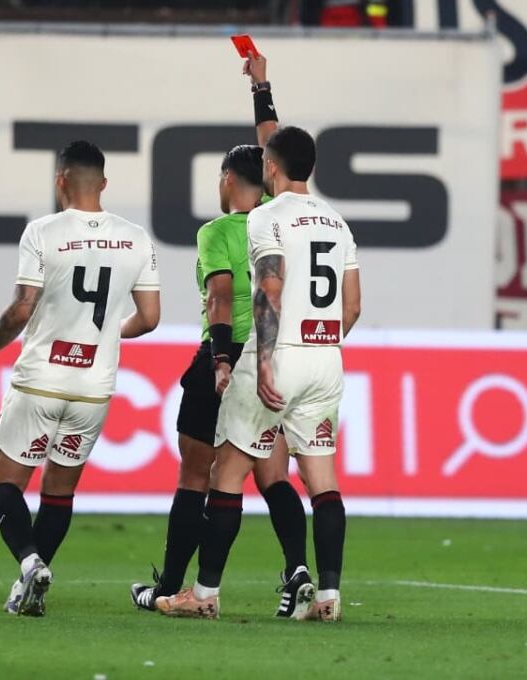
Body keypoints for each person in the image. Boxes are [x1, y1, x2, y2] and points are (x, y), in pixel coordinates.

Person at [156, 124, 362, 622]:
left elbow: (269, 286)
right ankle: (329, 598)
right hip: (325, 357)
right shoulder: (337, 223)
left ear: (271, 167)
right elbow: (351, 307)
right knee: (322, 481)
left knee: (227, 471)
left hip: (278, 355)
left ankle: (202, 593)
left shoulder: (265, 218)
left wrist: (266, 358)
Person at [0, 140, 160, 617]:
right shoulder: (136, 237)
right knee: (59, 491)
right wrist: (103, 336)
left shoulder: (42, 232)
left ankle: (29, 561)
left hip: (42, 379)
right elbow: (149, 317)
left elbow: (23, 307)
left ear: (59, 179)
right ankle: (30, 587)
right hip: (94, 388)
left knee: (1, 479)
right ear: (103, 183)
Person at [128, 144, 312, 619]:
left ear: (228, 179)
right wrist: (262, 91)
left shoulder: (217, 231)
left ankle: (172, 587)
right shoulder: (279, 222)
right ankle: (299, 571)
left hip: (227, 356)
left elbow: (221, 298)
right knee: (273, 475)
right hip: (282, 359)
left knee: (197, 478)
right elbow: (281, 143)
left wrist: (222, 359)